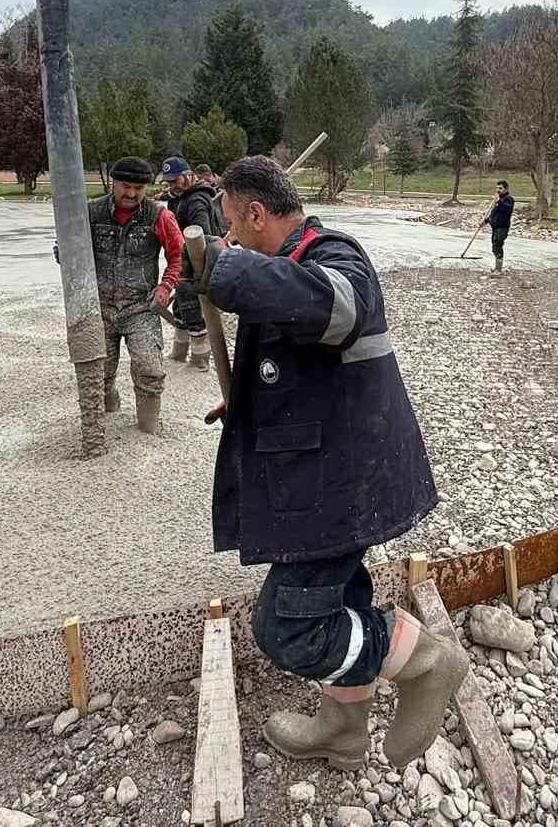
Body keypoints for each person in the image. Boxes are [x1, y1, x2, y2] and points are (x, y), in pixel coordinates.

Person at [179, 155, 465, 771]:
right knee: (340, 600)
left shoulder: (336, 257)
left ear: (256, 214)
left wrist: (227, 269)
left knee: (288, 629)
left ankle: (426, 661)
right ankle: (343, 729)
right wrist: (250, 400)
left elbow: (332, 312)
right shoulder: (287, 263)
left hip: (341, 483)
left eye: (231, 225)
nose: (228, 237)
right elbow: (302, 358)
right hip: (318, 470)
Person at [83, 156, 184, 435]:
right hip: (100, 307)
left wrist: (166, 287)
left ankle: (148, 427)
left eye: (138, 188)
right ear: (113, 183)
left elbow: (178, 255)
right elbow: (72, 250)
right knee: (97, 372)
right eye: (125, 186)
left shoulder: (160, 217)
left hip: (141, 307)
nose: (131, 194)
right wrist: (65, 254)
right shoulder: (90, 214)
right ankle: (103, 416)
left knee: (149, 369)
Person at [160, 154, 225, 369]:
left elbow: (202, 236)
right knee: (181, 307)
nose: (172, 185)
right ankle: (179, 352)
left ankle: (200, 359)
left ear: (189, 175)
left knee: (191, 308)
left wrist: (192, 268)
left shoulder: (196, 200)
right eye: (169, 182)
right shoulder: (178, 198)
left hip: (196, 262)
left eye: (175, 180)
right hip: (182, 260)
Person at [483, 180, 515, 273]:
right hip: (495, 227)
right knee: (494, 247)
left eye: (500, 188)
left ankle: (498, 269)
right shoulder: (498, 200)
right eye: (497, 188)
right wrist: (486, 221)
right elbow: (494, 213)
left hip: (502, 227)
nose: (498, 190)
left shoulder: (509, 199)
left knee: (497, 246)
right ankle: (497, 267)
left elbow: (507, 210)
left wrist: (499, 201)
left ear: (506, 189)